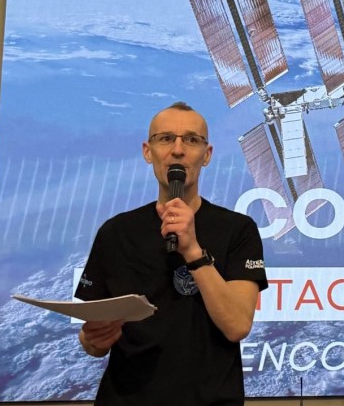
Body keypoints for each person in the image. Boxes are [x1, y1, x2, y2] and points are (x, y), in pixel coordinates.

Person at [75, 102, 268, 405]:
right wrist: (93, 339)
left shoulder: (238, 229)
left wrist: (192, 250)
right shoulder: (116, 232)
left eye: (191, 140)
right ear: (147, 151)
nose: (178, 150)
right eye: (165, 139)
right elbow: (93, 341)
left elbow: (237, 326)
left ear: (207, 155)